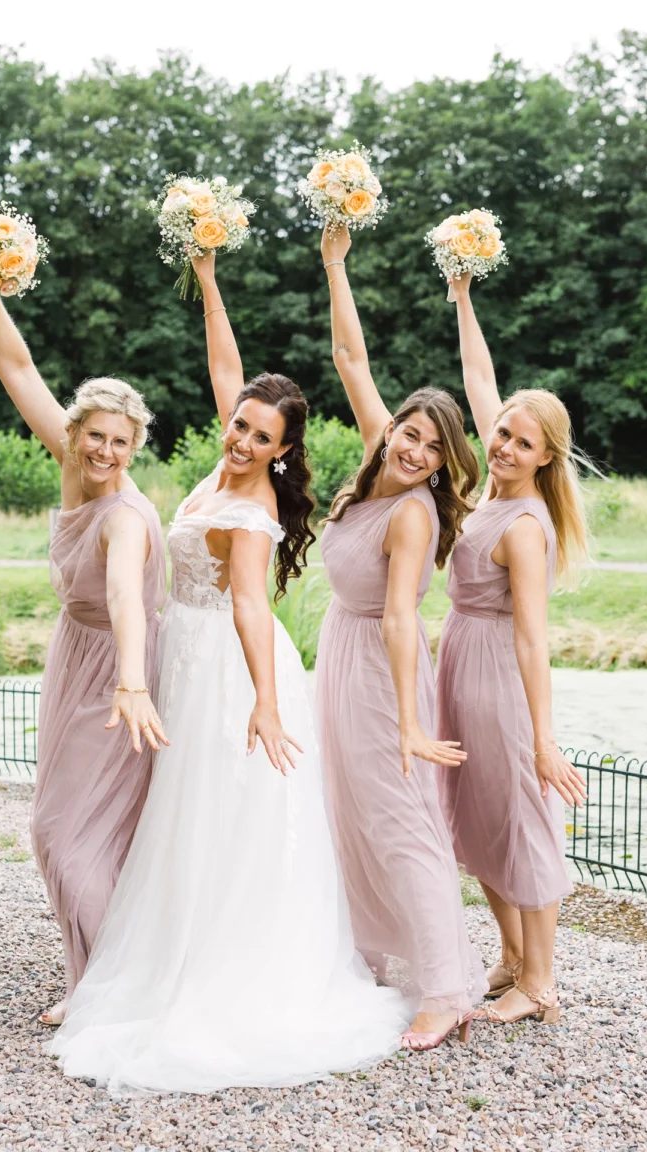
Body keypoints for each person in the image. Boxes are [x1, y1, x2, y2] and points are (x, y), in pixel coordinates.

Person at [49, 251, 408, 1094]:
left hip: (231, 670)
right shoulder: (221, 467)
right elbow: (226, 368)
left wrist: (268, 705)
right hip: (185, 651)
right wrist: (208, 280)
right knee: (176, 816)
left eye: (257, 435)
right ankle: (156, 948)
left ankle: (219, 970)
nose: (239, 437)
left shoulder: (252, 510)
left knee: (218, 817)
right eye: (238, 424)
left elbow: (253, 610)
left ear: (283, 453)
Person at [314, 224, 487, 1051]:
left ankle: (447, 991)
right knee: (348, 811)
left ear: (446, 462)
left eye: (433, 446)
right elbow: (352, 360)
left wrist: (413, 724)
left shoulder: (414, 514)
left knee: (400, 819)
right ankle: (371, 950)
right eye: (411, 434)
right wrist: (336, 265)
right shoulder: (375, 464)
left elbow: (396, 616)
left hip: (386, 671)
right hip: (341, 660)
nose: (416, 450)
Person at [0, 293, 167, 1027]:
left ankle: (112, 986)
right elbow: (16, 365)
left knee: (64, 832)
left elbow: (124, 596)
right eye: (95, 437)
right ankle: (100, 974)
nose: (104, 453)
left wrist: (132, 681)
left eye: (121, 443)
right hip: (75, 656)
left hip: (120, 674)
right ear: (75, 432)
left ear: (135, 447)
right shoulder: (73, 465)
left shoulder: (122, 516)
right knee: (78, 829)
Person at [437, 272, 589, 1027]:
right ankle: (509, 958)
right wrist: (464, 297)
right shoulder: (491, 490)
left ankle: (543, 984)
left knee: (520, 822)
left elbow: (534, 636)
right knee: (473, 818)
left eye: (520, 441)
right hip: (458, 664)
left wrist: (543, 738)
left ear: (543, 458)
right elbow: (479, 378)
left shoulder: (525, 526)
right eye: (502, 432)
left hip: (498, 676)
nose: (501, 444)